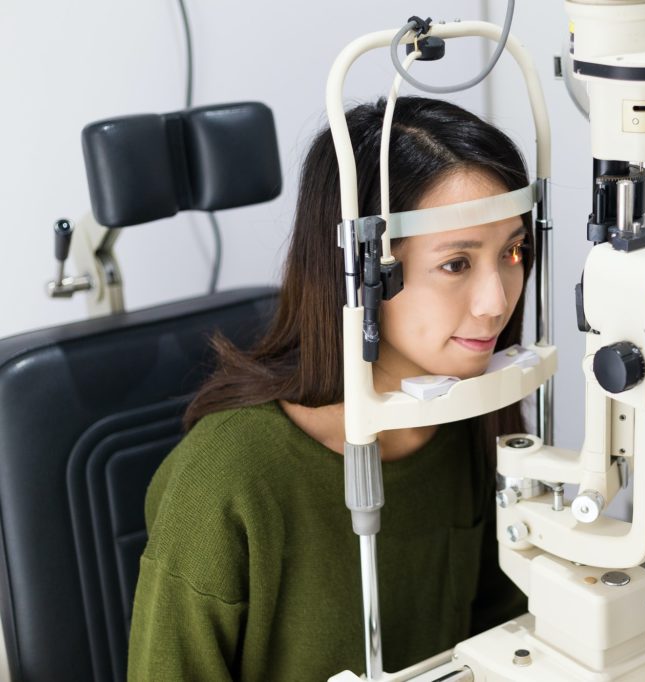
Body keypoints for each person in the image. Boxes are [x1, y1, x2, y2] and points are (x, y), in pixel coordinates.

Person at [127, 96, 534, 680]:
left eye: (513, 252)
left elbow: (506, 636)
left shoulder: (469, 422)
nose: (497, 301)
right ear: (362, 271)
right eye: (456, 264)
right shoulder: (226, 479)